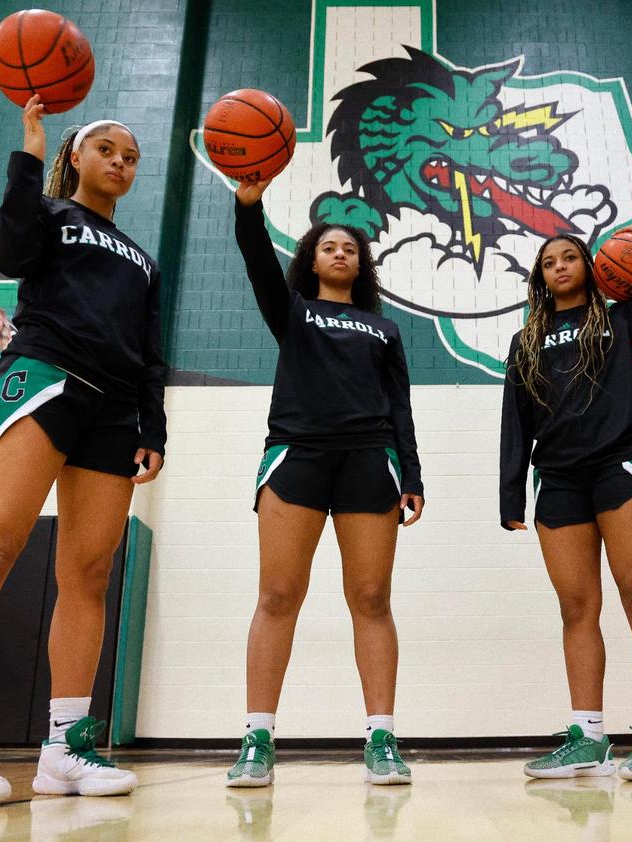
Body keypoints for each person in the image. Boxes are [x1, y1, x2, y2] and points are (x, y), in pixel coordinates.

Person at [0, 94, 168, 808]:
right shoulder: (49, 214)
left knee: (90, 574)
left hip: (114, 408)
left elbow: (150, 354)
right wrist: (29, 152)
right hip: (43, 375)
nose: (120, 162)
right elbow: (9, 252)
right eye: (108, 149)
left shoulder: (143, 258)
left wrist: (153, 427)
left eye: (131, 157)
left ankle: (65, 752)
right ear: (77, 156)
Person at [225, 175, 424, 788]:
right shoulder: (291, 310)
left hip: (371, 460)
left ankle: (382, 739)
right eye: (328, 246)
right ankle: (258, 739)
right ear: (311, 259)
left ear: (361, 266)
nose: (341, 254)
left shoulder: (384, 329)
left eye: (351, 249)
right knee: (278, 596)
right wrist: (248, 205)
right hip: (297, 456)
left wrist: (411, 474)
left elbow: (400, 406)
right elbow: (258, 259)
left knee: (371, 599)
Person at [500, 224, 632, 781]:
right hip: (557, 479)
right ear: (539, 276)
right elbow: (516, 417)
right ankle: (588, 736)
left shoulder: (618, 319)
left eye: (569, 256)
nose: (559, 266)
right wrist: (511, 490)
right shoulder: (525, 342)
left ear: (589, 265)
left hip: (620, 464)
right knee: (576, 609)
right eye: (549, 261)